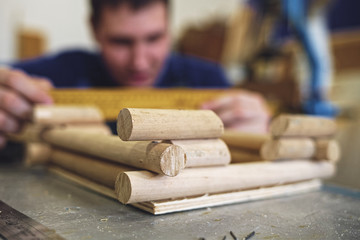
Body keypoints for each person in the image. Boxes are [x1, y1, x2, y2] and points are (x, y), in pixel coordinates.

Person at [0, 0, 270, 149]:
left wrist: (257, 136)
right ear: (94, 29)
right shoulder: (65, 70)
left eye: (154, 38)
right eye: (121, 42)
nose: (139, 63)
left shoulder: (210, 79)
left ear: (169, 26)